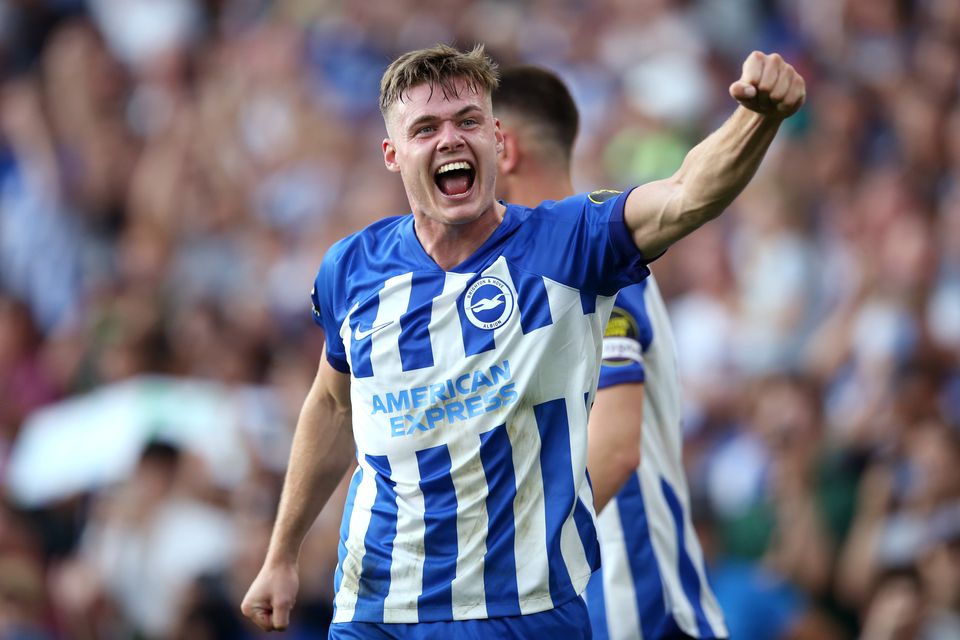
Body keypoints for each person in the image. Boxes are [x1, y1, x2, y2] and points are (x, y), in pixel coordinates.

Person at [241, 43, 804, 637]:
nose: (450, 139)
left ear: (496, 137)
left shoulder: (568, 244)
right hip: (375, 608)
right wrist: (282, 553)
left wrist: (757, 118)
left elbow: (688, 193)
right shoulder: (350, 268)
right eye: (425, 127)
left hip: (519, 613)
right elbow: (332, 403)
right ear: (392, 153)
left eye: (468, 121)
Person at [493, 65, 729, 640]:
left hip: (636, 601)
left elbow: (615, 447)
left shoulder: (592, 260)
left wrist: (513, 566)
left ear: (502, 147)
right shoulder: (527, 275)